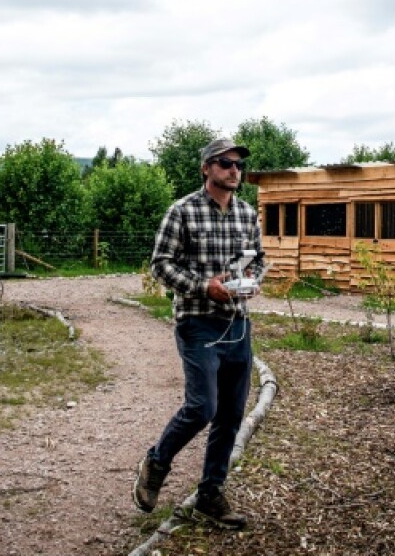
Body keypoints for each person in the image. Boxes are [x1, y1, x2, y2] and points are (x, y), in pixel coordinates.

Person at [133, 137, 264, 530]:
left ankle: (210, 494)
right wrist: (204, 286)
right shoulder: (183, 211)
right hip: (198, 322)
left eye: (238, 164)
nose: (234, 170)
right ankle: (156, 462)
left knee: (230, 415)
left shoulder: (246, 213)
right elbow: (161, 265)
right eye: (225, 163)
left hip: (237, 324)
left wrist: (251, 280)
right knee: (202, 407)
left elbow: (258, 259)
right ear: (206, 168)